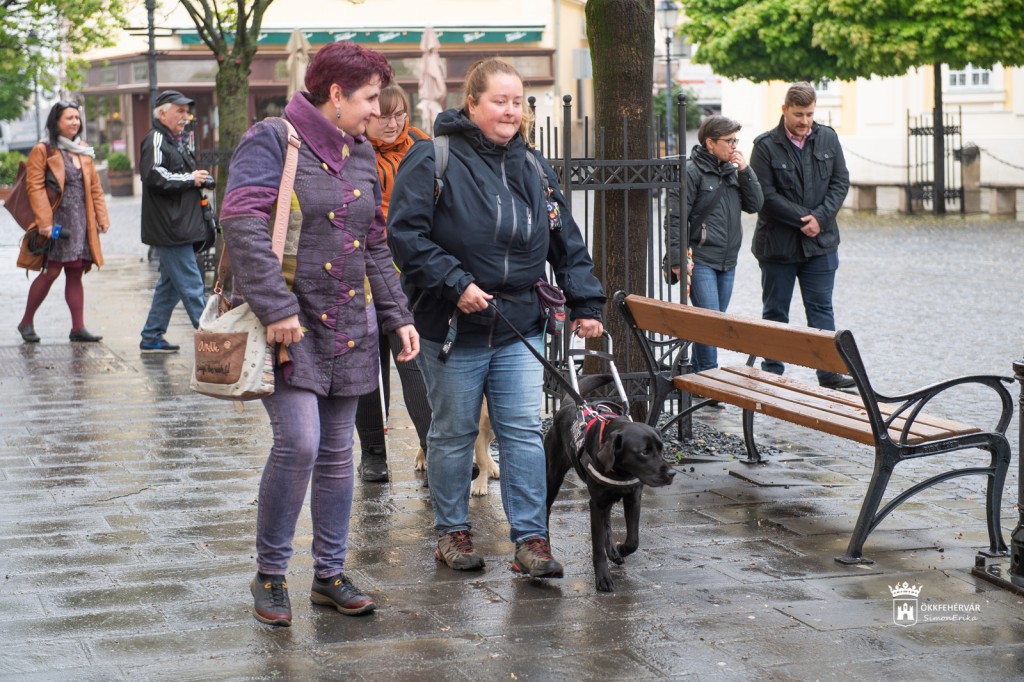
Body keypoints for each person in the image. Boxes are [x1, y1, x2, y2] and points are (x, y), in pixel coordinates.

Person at [219, 41, 419, 627]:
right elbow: (242, 225)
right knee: (300, 442)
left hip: (349, 324)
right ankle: (270, 573)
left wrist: (398, 315)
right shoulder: (272, 139)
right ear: (335, 94)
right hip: (288, 324)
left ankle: (329, 574)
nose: (377, 111)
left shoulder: (360, 152)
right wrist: (277, 307)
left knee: (337, 452)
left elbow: (374, 244)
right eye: (370, 99)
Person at [387, 58, 606, 578]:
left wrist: (586, 303)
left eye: (516, 102)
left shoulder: (533, 165)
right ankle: (452, 533)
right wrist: (456, 283)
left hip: (519, 324)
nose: (511, 111)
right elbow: (405, 236)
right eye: (499, 101)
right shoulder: (432, 158)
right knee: (454, 433)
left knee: (522, 431)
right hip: (453, 327)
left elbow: (565, 239)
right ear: (473, 103)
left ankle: (532, 541)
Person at [749, 82, 854, 390]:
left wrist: (821, 218)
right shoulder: (765, 146)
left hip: (820, 244)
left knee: (821, 308)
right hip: (778, 246)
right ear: (784, 110)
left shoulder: (828, 138)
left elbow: (840, 181)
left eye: (809, 114)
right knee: (775, 312)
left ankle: (829, 373)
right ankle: (772, 373)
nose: (805, 121)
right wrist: (802, 220)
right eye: (798, 114)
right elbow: (764, 195)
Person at [354, 83, 432, 482]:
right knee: (368, 360)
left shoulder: (421, 146)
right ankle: (372, 453)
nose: (393, 123)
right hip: (362, 268)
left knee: (412, 357)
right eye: (385, 115)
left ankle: (434, 448)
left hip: (410, 270)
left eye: (400, 114)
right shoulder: (351, 151)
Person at [664, 115, 763, 372]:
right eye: (729, 141)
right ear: (710, 143)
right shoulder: (691, 172)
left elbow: (755, 204)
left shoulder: (733, 171)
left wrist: (746, 170)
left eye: (735, 140)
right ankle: (710, 378)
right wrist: (677, 259)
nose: (734, 146)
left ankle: (699, 377)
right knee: (710, 324)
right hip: (701, 259)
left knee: (711, 324)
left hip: (728, 261)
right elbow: (675, 219)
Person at [17, 101, 110, 344]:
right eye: (69, 118)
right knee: (52, 271)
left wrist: (102, 217)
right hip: (57, 223)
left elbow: (95, 188)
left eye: (77, 118)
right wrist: (44, 222)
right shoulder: (43, 149)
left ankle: (78, 328)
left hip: (81, 222)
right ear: (56, 121)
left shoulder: (83, 149)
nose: (75, 122)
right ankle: (26, 321)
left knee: (75, 272)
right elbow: (35, 187)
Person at [138, 90, 210, 354]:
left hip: (177, 225)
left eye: (186, 112)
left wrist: (197, 178)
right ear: (162, 113)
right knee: (192, 285)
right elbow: (154, 175)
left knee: (169, 287)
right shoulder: (156, 138)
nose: (185, 117)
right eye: (179, 111)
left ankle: (152, 336)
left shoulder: (175, 140)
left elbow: (177, 175)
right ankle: (212, 340)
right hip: (171, 227)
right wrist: (191, 178)